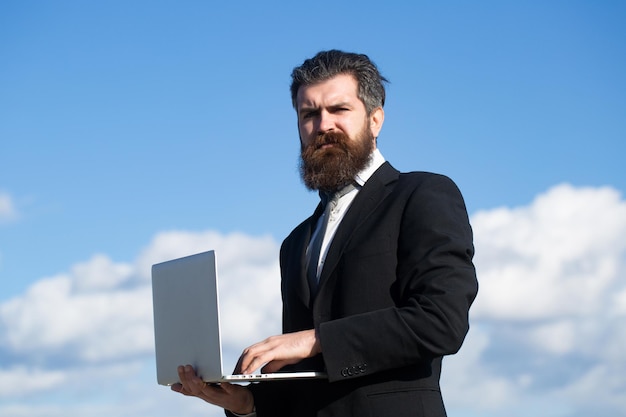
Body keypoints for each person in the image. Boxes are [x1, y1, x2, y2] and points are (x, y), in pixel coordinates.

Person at [171, 49, 478, 417]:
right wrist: (246, 403)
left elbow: (441, 321)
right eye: (309, 114)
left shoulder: (422, 195)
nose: (323, 125)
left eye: (339, 110)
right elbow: (309, 376)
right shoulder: (296, 242)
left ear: (376, 119)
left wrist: (316, 339)